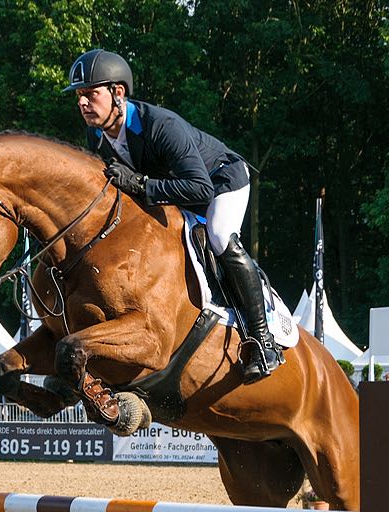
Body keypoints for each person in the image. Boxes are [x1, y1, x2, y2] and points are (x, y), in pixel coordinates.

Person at [64, 49, 280, 383]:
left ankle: (263, 340)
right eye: (79, 96)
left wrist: (141, 183)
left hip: (221, 181)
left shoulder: (161, 125)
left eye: (90, 94)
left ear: (118, 93)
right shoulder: (97, 135)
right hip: (174, 195)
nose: (81, 103)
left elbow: (200, 189)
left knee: (220, 236)